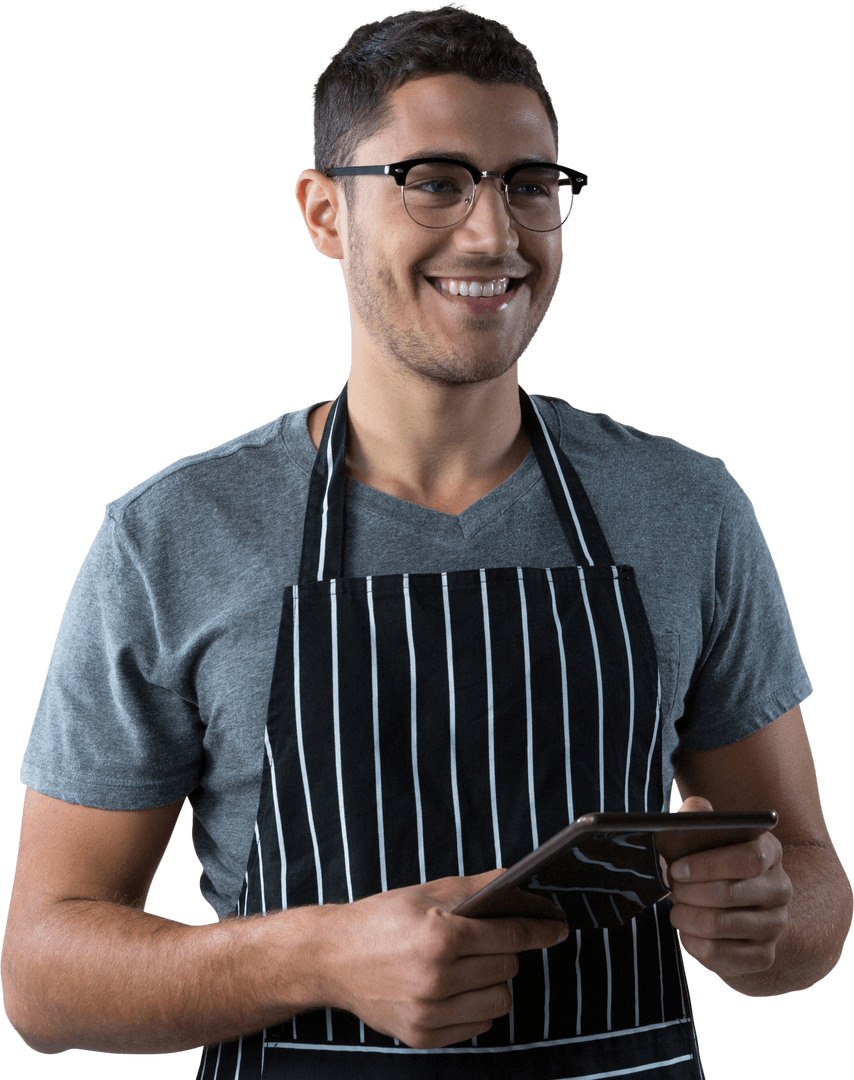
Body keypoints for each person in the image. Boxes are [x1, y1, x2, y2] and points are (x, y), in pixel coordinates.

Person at [2, 5, 851, 1079]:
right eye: (434, 180)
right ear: (323, 214)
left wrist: (770, 921)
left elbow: (810, 886)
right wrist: (319, 955)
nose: (494, 235)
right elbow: (42, 978)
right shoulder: (170, 535)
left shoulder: (685, 504)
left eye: (528, 185)